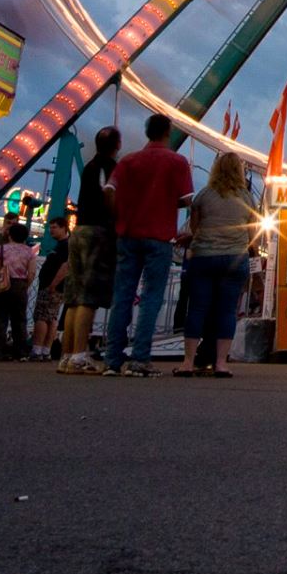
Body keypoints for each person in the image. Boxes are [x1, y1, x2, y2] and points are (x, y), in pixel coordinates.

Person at [105, 114, 196, 376]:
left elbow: (109, 190)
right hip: (159, 237)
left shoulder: (129, 160)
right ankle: (140, 358)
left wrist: (118, 217)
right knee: (151, 297)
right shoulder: (177, 162)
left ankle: (112, 359)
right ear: (168, 132)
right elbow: (189, 200)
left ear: (147, 132)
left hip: (128, 233)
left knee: (122, 295)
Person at [178, 151, 251, 378]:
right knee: (227, 311)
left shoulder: (205, 194)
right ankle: (221, 363)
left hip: (205, 256)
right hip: (235, 257)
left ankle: (188, 362)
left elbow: (195, 226)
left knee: (197, 308)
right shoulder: (246, 197)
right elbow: (252, 230)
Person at [59, 126, 121, 375]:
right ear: (117, 145)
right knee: (88, 297)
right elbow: (108, 193)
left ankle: (67, 354)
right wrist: (116, 218)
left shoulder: (89, 166)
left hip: (79, 230)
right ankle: (79, 355)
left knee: (74, 298)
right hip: (97, 232)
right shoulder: (107, 168)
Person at [0, 220, 37, 361]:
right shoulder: (29, 252)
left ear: (10, 235)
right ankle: (20, 352)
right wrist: (25, 285)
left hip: (2, 285)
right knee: (20, 320)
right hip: (20, 285)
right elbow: (32, 272)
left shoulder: (1, 249)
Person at [31, 216, 71, 362]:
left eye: (54, 227)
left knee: (42, 317)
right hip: (54, 286)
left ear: (63, 228)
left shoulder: (64, 246)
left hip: (51, 286)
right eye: (50, 227)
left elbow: (65, 266)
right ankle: (45, 350)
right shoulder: (61, 245)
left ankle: (37, 349)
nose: (51, 230)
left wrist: (53, 283)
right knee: (52, 318)